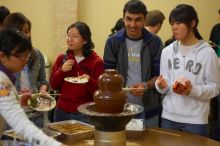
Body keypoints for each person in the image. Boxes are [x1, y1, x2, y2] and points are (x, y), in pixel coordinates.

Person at [155, 4, 220, 137]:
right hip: (169, 118)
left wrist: (191, 90)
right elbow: (164, 85)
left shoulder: (208, 53)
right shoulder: (167, 51)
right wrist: (160, 85)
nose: (174, 27)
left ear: (192, 23)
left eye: (179, 23)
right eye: (172, 23)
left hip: (196, 121)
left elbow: (215, 88)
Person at [0, 28, 67, 146]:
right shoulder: (2, 81)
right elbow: (20, 124)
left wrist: (17, 100)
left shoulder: (4, 78)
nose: (26, 61)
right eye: (21, 56)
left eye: (27, 56)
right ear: (3, 56)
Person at [103, 0, 163, 127]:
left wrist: (145, 85)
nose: (133, 24)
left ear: (145, 19)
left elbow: (160, 76)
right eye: (128, 19)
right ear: (123, 18)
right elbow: (107, 75)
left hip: (149, 110)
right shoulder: (113, 42)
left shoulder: (155, 42)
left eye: (138, 20)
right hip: (120, 109)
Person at [50, 22, 104, 123]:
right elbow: (53, 85)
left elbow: (99, 92)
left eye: (74, 36)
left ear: (85, 40)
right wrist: (61, 71)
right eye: (68, 35)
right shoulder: (62, 58)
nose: (70, 39)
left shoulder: (96, 62)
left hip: (85, 113)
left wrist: (89, 81)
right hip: (61, 111)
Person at [3, 12, 48, 128]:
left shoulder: (37, 55)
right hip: (12, 117)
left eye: (27, 31)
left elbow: (43, 80)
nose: (24, 35)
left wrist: (43, 90)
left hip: (35, 112)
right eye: (20, 31)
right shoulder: (4, 74)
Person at [208, 8, 220, 140]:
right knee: (215, 106)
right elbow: (211, 47)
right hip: (217, 70)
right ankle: (215, 136)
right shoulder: (216, 28)